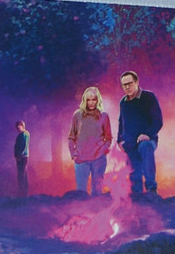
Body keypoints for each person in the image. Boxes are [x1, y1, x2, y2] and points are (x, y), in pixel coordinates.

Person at [117, 70, 162, 198]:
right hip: (129, 143)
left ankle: (151, 190)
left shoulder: (148, 97)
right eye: (124, 85)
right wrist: (119, 140)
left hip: (147, 140)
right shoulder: (123, 102)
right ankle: (137, 196)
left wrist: (147, 135)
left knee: (145, 147)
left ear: (136, 82)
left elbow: (158, 120)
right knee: (134, 175)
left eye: (130, 83)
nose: (127, 87)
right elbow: (121, 122)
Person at [68, 86, 112, 196]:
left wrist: (103, 150)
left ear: (98, 100)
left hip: (99, 159)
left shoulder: (104, 116)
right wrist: (74, 154)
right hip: (81, 159)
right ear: (84, 100)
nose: (91, 102)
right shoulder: (77, 115)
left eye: (94, 99)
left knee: (97, 193)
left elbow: (108, 138)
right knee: (81, 193)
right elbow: (71, 137)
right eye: (88, 100)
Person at [13, 119, 30, 197]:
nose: (18, 128)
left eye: (19, 126)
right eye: (17, 127)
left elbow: (24, 145)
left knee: (22, 175)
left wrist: (19, 155)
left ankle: (23, 192)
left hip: (22, 157)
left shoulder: (24, 134)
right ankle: (23, 191)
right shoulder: (21, 134)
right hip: (20, 156)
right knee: (22, 174)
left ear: (22, 126)